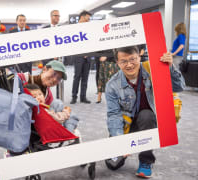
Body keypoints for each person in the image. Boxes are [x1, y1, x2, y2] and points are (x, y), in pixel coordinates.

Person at [105, 46, 185, 178]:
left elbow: (179, 87)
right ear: (117, 63)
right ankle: (122, 148)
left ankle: (146, 161)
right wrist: (119, 141)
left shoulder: (153, 69)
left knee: (146, 115)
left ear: (139, 57)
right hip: (126, 123)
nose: (129, 65)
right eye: (124, 61)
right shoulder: (112, 85)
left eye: (133, 59)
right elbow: (114, 115)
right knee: (112, 164)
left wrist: (170, 68)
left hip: (148, 120)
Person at [0, 60, 67, 106]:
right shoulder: (22, 78)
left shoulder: (48, 94)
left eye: (59, 78)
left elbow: (48, 110)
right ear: (44, 69)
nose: (55, 79)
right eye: (54, 73)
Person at [70, 10, 92, 104]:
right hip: (78, 56)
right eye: (88, 18)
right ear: (82, 17)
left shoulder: (89, 28)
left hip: (88, 57)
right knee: (77, 76)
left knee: (85, 78)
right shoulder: (74, 28)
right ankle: (74, 97)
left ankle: (83, 97)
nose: (89, 20)